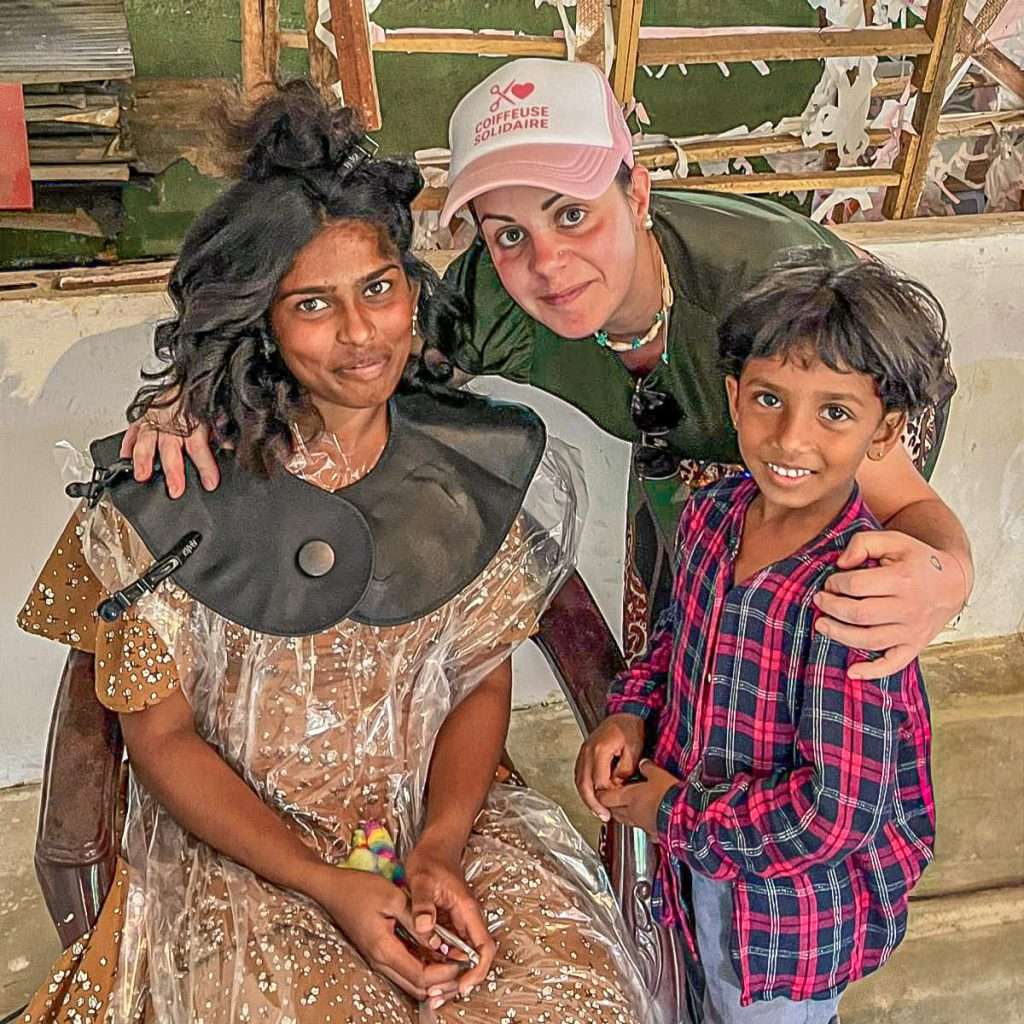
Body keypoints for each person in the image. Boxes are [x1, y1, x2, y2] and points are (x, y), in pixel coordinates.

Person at [17, 83, 654, 1024]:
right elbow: (162, 738)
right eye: (313, 304)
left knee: (575, 1000)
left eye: (379, 289)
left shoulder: (463, 467)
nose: (361, 335)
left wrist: (438, 848)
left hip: (437, 813)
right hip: (242, 848)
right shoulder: (171, 492)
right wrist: (326, 883)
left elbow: (477, 681)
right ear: (260, 320)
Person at [122, 57, 972, 681]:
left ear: (637, 194)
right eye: (509, 233)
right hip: (680, 438)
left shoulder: (772, 301)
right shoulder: (489, 298)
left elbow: (901, 499)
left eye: (573, 215)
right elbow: (352, 364)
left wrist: (943, 576)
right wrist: (191, 393)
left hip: (847, 404)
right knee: (670, 655)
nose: (549, 265)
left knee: (804, 653)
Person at [576, 252, 945, 1024]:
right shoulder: (713, 517)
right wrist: (630, 712)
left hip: (787, 924)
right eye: (770, 399)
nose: (791, 439)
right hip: (694, 868)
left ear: (885, 431)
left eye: (834, 413)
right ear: (734, 397)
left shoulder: (858, 595)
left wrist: (675, 815)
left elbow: (835, 813)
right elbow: (675, 638)